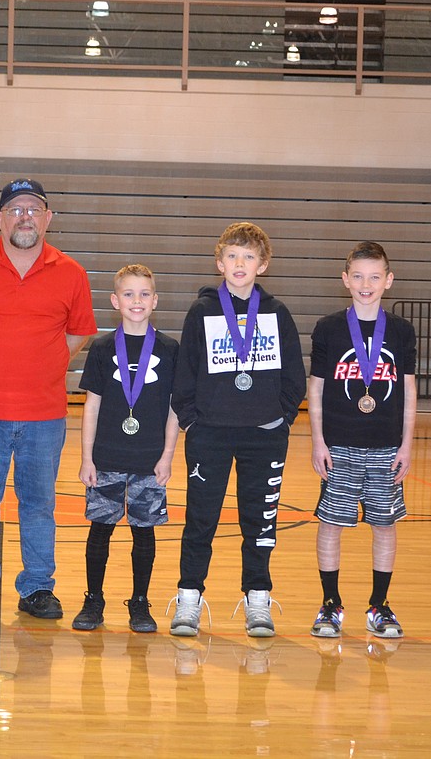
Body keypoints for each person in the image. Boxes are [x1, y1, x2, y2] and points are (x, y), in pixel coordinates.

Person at [0, 178, 97, 620]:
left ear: (48, 218)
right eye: (15, 209)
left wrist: (43, 360)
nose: (25, 216)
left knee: (39, 505)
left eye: (34, 209)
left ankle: (37, 587)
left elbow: (78, 332)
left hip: (44, 413)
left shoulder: (70, 272)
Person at [170, 222, 305, 638]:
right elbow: (185, 373)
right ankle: (189, 598)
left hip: (263, 435)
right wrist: (193, 419)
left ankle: (257, 598)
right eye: (232, 256)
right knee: (200, 519)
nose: (239, 263)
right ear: (219, 263)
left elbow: (294, 376)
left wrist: (280, 418)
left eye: (248, 257)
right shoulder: (202, 311)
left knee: (260, 521)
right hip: (209, 433)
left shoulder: (276, 313)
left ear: (263, 265)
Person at [308, 241, 416, 640]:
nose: (365, 284)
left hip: (387, 446)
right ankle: (331, 604)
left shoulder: (402, 331)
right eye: (358, 276)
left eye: (374, 277)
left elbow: (408, 390)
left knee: (385, 526)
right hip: (339, 445)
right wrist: (318, 441)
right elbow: (316, 389)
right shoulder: (329, 328)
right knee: (331, 525)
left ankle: (379, 605)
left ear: (388, 281)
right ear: (345, 279)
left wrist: (407, 445)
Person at [74, 264, 179, 633]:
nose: (137, 301)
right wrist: (87, 458)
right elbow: (91, 405)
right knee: (99, 530)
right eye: (129, 294)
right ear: (115, 301)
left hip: (149, 461)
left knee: (144, 533)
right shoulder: (103, 348)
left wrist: (167, 456)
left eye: (144, 294)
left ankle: (139, 602)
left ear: (155, 300)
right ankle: (93, 600)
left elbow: (173, 408)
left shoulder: (169, 349)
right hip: (106, 457)